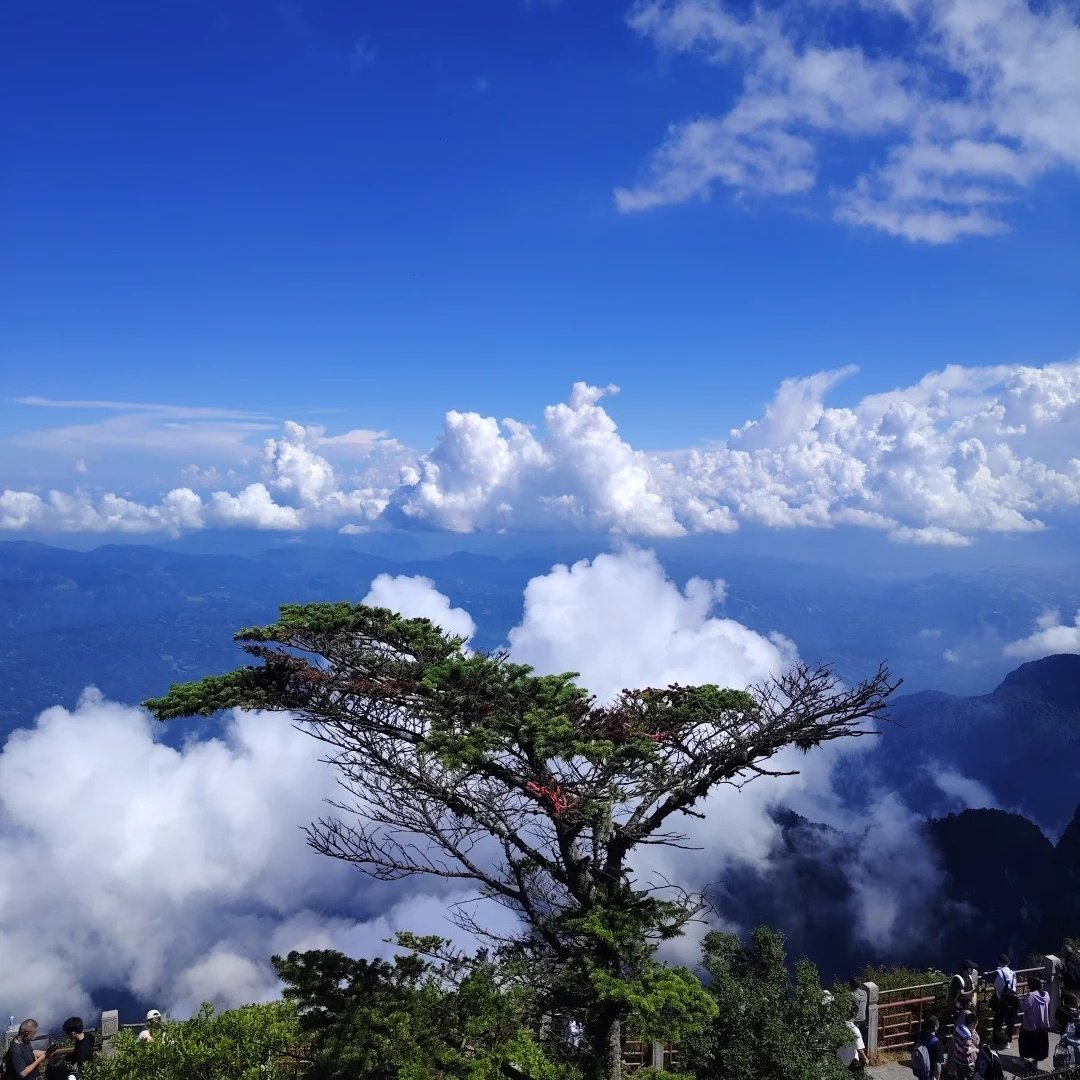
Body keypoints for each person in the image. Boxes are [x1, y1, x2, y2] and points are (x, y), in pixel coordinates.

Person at [1017, 974, 1050, 1070]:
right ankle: (1035, 1062)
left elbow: (1024, 1007)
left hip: (1030, 1025)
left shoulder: (1031, 996)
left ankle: (1021, 1061)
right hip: (1042, 1026)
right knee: (1038, 1046)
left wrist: (1020, 999)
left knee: (1024, 1043)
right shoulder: (1046, 995)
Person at [991, 954, 1018, 1047]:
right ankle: (1007, 1042)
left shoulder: (998, 973)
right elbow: (1014, 986)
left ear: (999, 962)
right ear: (1008, 963)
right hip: (1011, 1000)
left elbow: (996, 986)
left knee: (998, 1022)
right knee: (1010, 1022)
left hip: (1001, 1001)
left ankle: (996, 1041)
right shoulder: (1013, 973)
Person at [950, 1010, 980, 1080]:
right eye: (976, 1025)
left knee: (959, 1077)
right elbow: (966, 1050)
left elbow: (954, 1039)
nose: (976, 1027)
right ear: (973, 1024)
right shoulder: (968, 1036)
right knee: (971, 1077)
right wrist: (976, 1049)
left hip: (957, 1058)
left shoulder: (959, 1028)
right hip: (966, 1062)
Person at [837, 1006, 869, 1073]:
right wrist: (865, 1059)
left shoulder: (838, 1025)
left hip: (839, 1061)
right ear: (855, 1015)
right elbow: (859, 1049)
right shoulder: (854, 1030)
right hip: (851, 1063)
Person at [912, 1015, 944, 1080]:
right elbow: (938, 1065)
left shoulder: (919, 1035)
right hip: (929, 1074)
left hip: (920, 1070)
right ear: (935, 1027)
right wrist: (937, 1078)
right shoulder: (937, 1044)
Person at [1054, 992, 1080, 1070]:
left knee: (1066, 1051)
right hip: (1076, 1036)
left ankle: (1064, 1068)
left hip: (1065, 1035)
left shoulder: (1061, 1010)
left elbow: (1057, 1020)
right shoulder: (1076, 1012)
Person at [848, 976, 871, 1045]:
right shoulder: (865, 993)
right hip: (863, 1021)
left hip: (854, 1022)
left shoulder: (851, 995)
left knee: (855, 1043)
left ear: (851, 985)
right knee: (863, 1042)